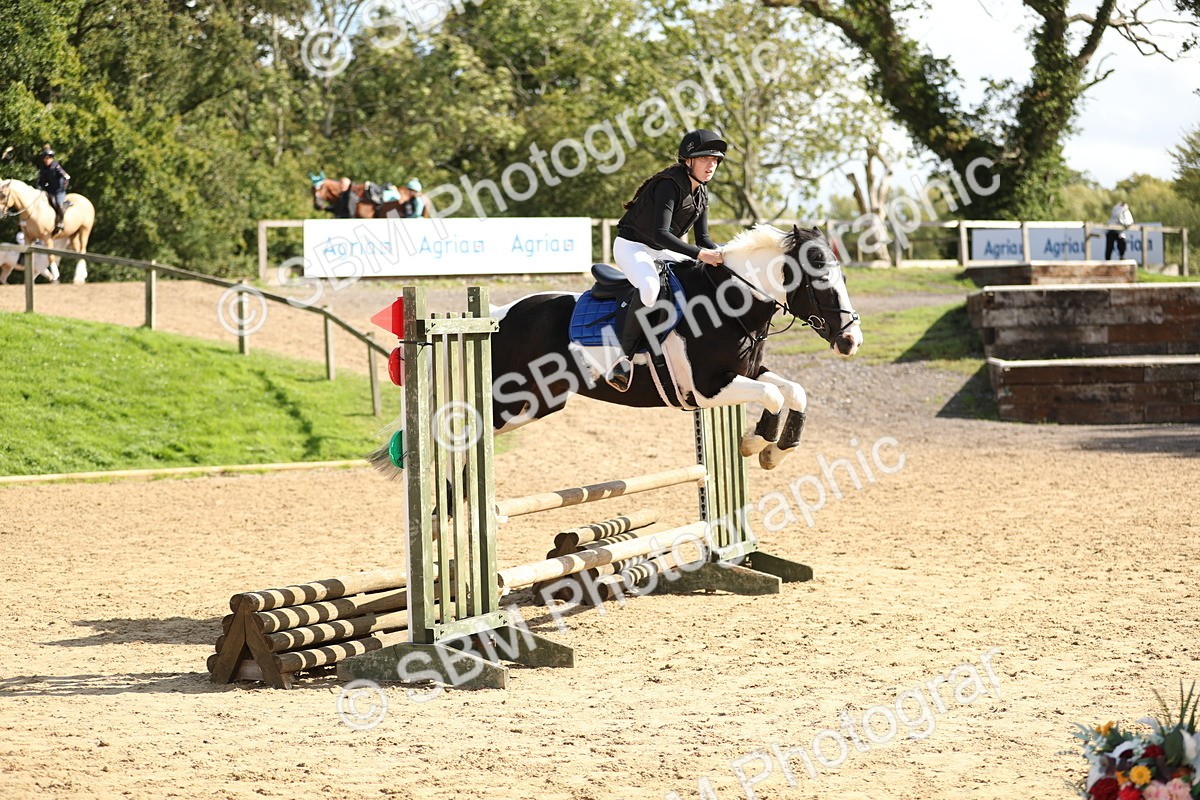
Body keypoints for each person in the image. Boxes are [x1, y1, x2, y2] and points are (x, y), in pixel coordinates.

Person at [606, 128, 727, 392]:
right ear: (689, 160)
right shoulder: (669, 184)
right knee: (649, 290)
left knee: (700, 276)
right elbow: (661, 234)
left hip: (661, 249)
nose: (711, 165)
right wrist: (699, 254)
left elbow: (703, 238)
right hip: (632, 246)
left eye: (715, 160)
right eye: (706, 158)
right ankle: (622, 360)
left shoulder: (701, 192)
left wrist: (725, 254)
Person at [37, 146, 71, 235]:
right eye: (46, 158)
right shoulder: (43, 168)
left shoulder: (56, 166)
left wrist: (63, 187)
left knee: (59, 204)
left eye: (49, 158)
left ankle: (61, 221)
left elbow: (66, 177)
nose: (47, 160)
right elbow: (40, 181)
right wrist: (39, 189)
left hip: (59, 191)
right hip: (49, 191)